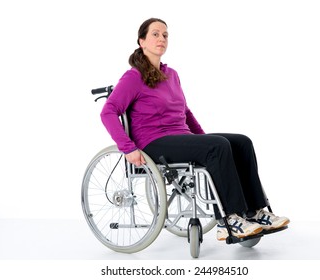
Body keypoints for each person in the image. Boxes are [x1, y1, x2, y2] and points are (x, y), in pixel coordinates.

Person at [101, 18, 289, 241]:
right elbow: (108, 112)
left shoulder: (171, 75)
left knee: (241, 142)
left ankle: (256, 212)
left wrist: (205, 139)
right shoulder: (133, 77)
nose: (161, 38)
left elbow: (185, 112)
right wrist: (127, 148)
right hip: (152, 142)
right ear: (141, 41)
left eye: (165, 35)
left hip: (179, 137)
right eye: (155, 34)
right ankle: (228, 220)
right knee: (218, 146)